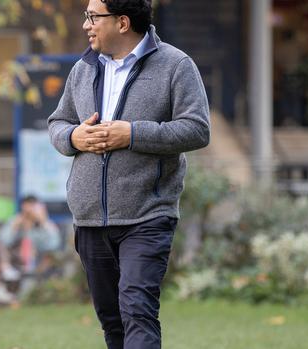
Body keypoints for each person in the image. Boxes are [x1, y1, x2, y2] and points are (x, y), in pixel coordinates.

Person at [47, 0, 210, 348]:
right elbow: (58, 123)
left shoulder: (176, 65)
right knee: (113, 321)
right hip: (90, 219)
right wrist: (73, 136)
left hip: (147, 215)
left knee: (137, 309)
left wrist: (132, 133)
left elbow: (197, 129)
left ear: (122, 22)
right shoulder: (84, 68)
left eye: (93, 17)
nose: (86, 25)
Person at [0, 196, 61, 306]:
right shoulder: (15, 221)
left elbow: (54, 244)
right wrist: (14, 227)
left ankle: (4, 271)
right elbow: (4, 241)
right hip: (13, 260)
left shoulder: (45, 225)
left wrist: (43, 223)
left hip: (34, 261)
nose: (29, 214)